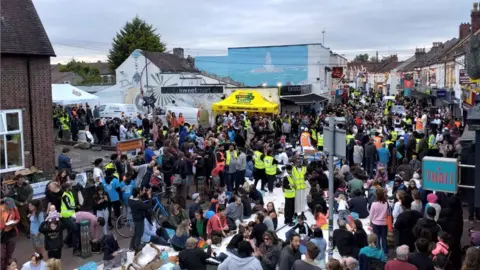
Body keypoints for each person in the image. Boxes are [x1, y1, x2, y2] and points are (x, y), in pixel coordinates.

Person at [129, 187, 152, 252]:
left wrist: (143, 192)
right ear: (138, 194)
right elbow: (149, 206)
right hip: (139, 219)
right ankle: (137, 248)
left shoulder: (130, 198)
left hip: (135, 218)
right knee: (139, 234)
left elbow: (138, 196)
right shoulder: (138, 203)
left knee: (136, 233)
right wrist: (149, 196)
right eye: (141, 191)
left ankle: (131, 246)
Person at [1, 198, 20, 270]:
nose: (11, 208)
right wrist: (4, 225)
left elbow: (18, 218)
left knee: (9, 254)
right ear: (5, 204)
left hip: (11, 232)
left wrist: (14, 222)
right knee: (2, 255)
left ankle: (7, 267)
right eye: (9, 206)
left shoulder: (14, 208)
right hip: (2, 234)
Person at [60, 182, 79, 255]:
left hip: (71, 214)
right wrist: (76, 207)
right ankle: (75, 250)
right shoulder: (65, 196)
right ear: (67, 188)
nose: (71, 186)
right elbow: (69, 206)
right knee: (75, 229)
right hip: (66, 216)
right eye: (70, 186)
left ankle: (66, 241)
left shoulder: (69, 193)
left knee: (72, 229)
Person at [369, 188, 388, 255]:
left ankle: (377, 252)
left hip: (375, 223)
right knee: (384, 238)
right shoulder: (386, 203)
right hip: (384, 223)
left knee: (377, 238)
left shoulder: (374, 204)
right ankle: (385, 252)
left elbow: (371, 214)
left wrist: (370, 222)